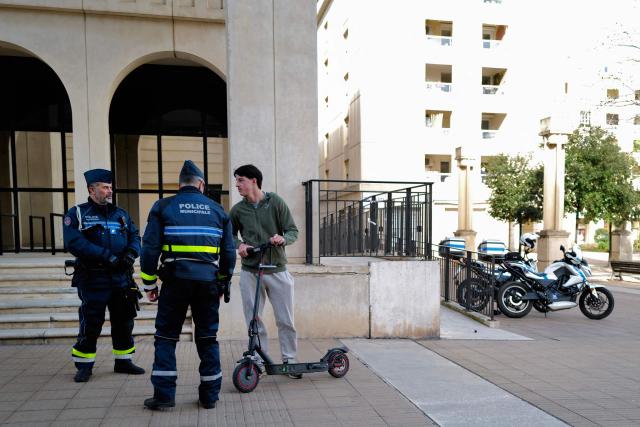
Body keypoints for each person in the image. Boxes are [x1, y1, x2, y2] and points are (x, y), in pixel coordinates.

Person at [140, 160, 236, 410]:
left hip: (175, 280)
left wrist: (149, 284)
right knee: (207, 338)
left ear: (180, 184)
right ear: (201, 184)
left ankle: (164, 397)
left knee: (165, 336)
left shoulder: (163, 206)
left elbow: (149, 249)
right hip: (207, 282)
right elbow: (229, 253)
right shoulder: (218, 210)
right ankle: (209, 396)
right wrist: (223, 284)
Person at [63, 168, 145, 383]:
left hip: (121, 278)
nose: (110, 191)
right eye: (105, 187)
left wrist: (131, 253)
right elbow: (74, 242)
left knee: (124, 321)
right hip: (94, 278)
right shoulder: (77, 214)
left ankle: (123, 361)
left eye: (110, 187)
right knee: (91, 322)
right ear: (92, 189)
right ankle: (84, 365)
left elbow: (135, 236)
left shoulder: (121, 214)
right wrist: (106, 256)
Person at [229, 164, 301, 379]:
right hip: (251, 272)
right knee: (254, 320)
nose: (237, 184)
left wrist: (283, 238)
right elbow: (229, 236)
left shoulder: (275, 202)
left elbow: (292, 231)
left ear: (254, 180)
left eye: (241, 180)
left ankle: (290, 360)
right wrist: (239, 245)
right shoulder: (238, 210)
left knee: (285, 319)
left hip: (277, 270)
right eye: (236, 180)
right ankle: (258, 360)